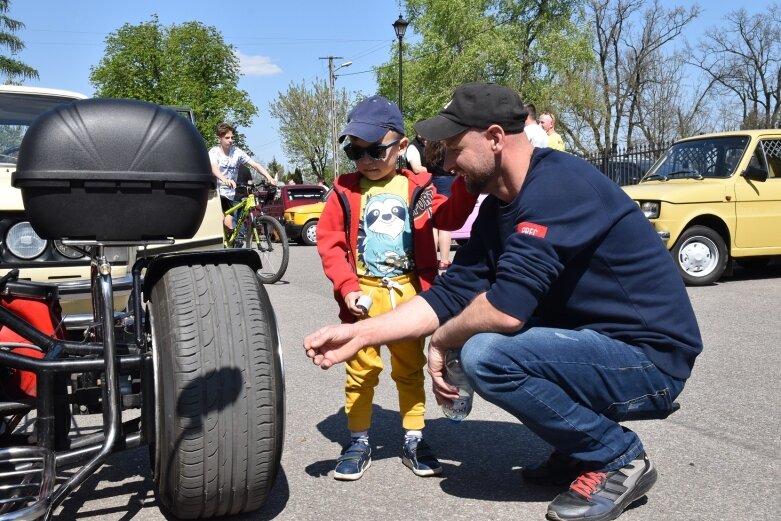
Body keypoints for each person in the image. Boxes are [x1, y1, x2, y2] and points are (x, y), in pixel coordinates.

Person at [304, 83, 702, 521]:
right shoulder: (500, 205)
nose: (448, 163)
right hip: (595, 347)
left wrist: (440, 341)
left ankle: (618, 456)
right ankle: (578, 448)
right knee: (482, 342)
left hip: (649, 361)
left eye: (455, 148)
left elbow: (505, 309)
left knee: (486, 353)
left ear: (494, 137)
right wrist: (359, 334)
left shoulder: (558, 186)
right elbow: (451, 292)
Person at [315, 95, 477, 481]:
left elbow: (449, 215)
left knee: (410, 369)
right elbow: (330, 242)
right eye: (355, 151)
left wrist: (467, 181)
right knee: (361, 369)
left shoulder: (417, 186)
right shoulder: (344, 190)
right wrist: (347, 287)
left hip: (409, 293)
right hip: (364, 295)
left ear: (402, 147)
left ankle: (414, 436)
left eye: (375, 149)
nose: (366, 159)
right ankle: (357, 439)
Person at [209, 122, 275, 233]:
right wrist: (224, 179)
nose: (230, 140)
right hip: (217, 193)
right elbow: (214, 168)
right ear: (219, 138)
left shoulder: (237, 152)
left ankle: (233, 243)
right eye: (227, 138)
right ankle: (224, 244)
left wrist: (269, 177)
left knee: (229, 225)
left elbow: (255, 165)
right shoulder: (214, 152)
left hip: (230, 195)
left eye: (232, 137)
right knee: (222, 223)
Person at [424, 139, 456, 270]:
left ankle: (432, 258)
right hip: (448, 182)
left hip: (432, 181)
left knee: (433, 225)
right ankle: (444, 260)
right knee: (445, 225)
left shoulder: (428, 150)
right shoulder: (447, 147)